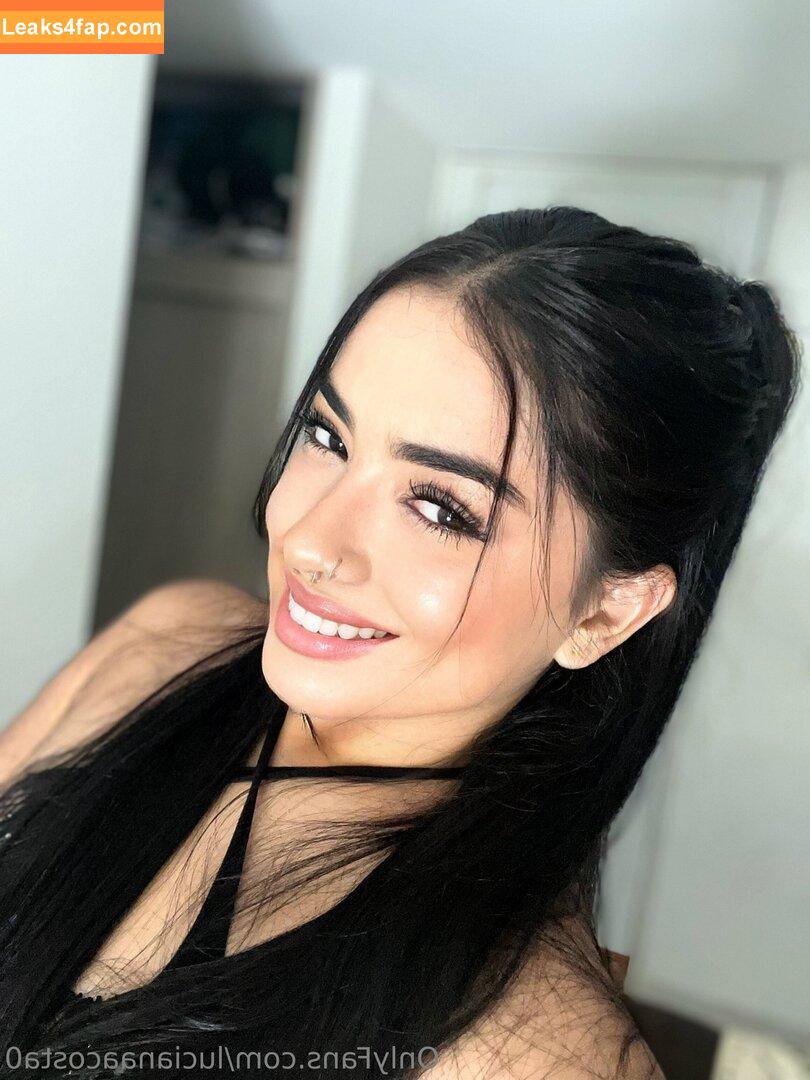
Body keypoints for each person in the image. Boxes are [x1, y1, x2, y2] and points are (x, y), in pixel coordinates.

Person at [0, 206, 800, 1079]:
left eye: (439, 507)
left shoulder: (531, 1054)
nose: (310, 539)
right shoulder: (165, 644)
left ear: (605, 613)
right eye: (327, 436)